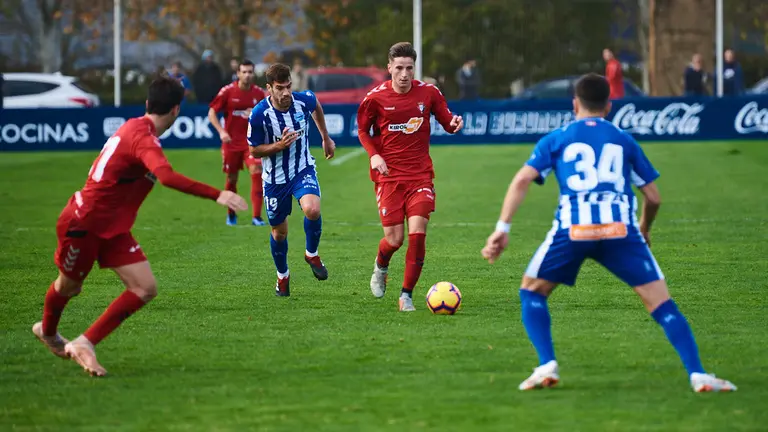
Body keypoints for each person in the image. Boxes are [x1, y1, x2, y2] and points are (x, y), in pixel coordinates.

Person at [480, 73, 737, 393]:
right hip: (620, 231)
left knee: (532, 292)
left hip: (573, 231)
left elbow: (520, 181)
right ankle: (698, 374)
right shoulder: (623, 140)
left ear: (575, 104)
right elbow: (654, 197)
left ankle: (547, 364)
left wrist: (502, 228)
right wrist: (644, 227)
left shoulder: (557, 138)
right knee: (662, 305)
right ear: (609, 105)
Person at [32, 76, 248, 377]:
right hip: (85, 222)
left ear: (147, 104)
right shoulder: (142, 137)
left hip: (112, 227)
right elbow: (167, 177)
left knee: (145, 287)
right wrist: (218, 193)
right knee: (69, 286)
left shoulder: (137, 127)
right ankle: (49, 331)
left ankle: (85, 343)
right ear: (176, 111)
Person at [356, 42, 464, 312]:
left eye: (409, 68)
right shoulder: (375, 98)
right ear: (389, 67)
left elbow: (447, 121)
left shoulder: (428, 93)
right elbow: (362, 131)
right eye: (399, 68)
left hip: (420, 176)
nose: (404, 74)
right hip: (389, 177)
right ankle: (381, 266)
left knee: (418, 234)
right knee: (394, 240)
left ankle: (406, 295)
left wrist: (454, 125)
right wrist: (374, 155)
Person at [247, 63, 336, 297]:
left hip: (302, 169)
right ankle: (283, 277)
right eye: (279, 88)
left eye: (288, 86)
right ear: (269, 89)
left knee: (312, 209)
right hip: (274, 180)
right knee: (279, 233)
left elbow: (315, 104)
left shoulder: (302, 100)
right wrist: (278, 145)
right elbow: (254, 151)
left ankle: (311, 254)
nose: (286, 93)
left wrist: (325, 137)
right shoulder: (259, 115)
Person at [209, 59, 268, 226]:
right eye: (244, 72)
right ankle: (231, 213)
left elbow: (267, 116)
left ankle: (256, 217)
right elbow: (212, 112)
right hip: (231, 143)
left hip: (251, 143)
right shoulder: (227, 91)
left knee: (256, 171)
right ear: (238, 74)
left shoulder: (258, 94)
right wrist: (221, 132)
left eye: (250, 72)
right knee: (232, 178)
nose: (247, 75)